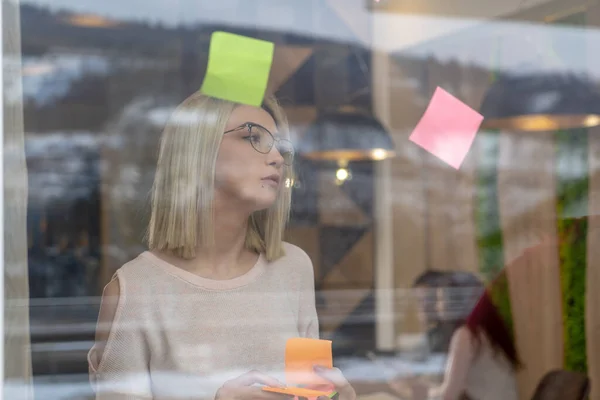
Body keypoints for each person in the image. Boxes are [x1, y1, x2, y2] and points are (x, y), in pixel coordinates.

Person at [87, 91, 357, 400]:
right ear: (199, 150)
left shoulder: (293, 267)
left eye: (280, 145)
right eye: (252, 137)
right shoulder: (134, 290)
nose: (277, 158)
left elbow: (309, 392)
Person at [390, 278, 521, 400]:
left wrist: (414, 392)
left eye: (440, 300)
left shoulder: (466, 335)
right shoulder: (486, 331)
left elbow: (447, 396)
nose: (437, 307)